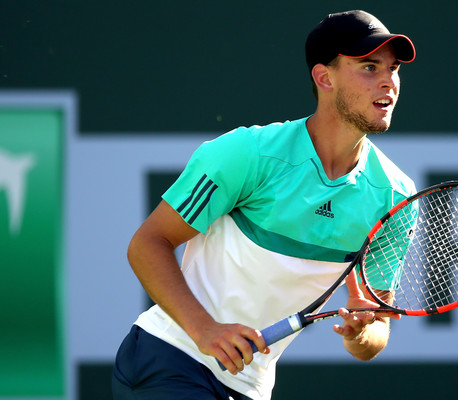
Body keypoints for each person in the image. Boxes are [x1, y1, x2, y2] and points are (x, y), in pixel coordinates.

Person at [112, 9, 417, 400]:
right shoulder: (248, 154)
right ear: (324, 78)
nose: (388, 83)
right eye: (369, 67)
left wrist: (362, 332)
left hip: (250, 386)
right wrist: (205, 330)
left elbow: (376, 333)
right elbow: (148, 244)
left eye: (393, 70)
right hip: (169, 357)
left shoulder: (394, 195)